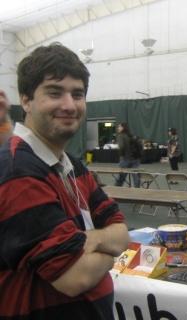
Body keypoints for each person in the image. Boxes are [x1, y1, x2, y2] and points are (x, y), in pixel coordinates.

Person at [0, 42, 131, 319]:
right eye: (54, 93)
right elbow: (75, 278)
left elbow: (121, 233)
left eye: (77, 94)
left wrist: (89, 240)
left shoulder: (72, 166)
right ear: (26, 100)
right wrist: (109, 251)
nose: (69, 105)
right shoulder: (18, 170)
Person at [115, 122, 141, 188]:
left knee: (121, 177)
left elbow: (121, 147)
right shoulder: (131, 136)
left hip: (125, 159)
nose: (118, 128)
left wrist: (121, 155)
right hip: (135, 159)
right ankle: (138, 189)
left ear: (123, 128)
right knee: (135, 176)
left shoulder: (120, 136)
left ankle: (116, 189)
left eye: (119, 127)